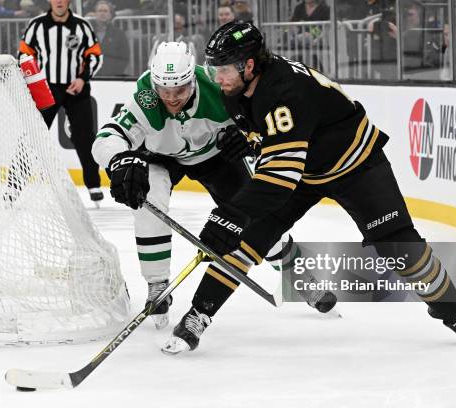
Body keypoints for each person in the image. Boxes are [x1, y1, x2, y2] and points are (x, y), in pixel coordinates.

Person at [162, 21, 456, 354]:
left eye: (223, 69)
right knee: (247, 239)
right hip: (306, 170)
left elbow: (280, 178)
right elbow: (273, 141)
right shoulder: (236, 89)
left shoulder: (282, 93)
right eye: (214, 68)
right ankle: (198, 315)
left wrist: (231, 212)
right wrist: (249, 143)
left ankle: (454, 313)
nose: (217, 77)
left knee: (401, 247)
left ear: (248, 65)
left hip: (356, 166)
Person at [92, 42, 335, 329]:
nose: (171, 98)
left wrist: (248, 139)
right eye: (164, 91)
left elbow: (265, 125)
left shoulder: (218, 88)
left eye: (180, 90)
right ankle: (157, 285)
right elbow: (107, 137)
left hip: (215, 157)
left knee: (254, 215)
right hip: (160, 157)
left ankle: (297, 276)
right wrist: (121, 159)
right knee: (149, 200)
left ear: (193, 79)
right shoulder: (145, 98)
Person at [16, 0, 104, 205]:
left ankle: (93, 184)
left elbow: (94, 55)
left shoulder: (82, 25)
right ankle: (14, 186)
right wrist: (34, 82)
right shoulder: (36, 25)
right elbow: (24, 55)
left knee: (84, 136)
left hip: (77, 88)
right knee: (33, 134)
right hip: (46, 89)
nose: (59, 1)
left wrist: (83, 78)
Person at [91, 0, 129, 76]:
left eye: (105, 11)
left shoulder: (119, 34)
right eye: (100, 11)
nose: (102, 13)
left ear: (110, 15)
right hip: (92, 76)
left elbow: (125, 58)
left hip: (112, 77)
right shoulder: (88, 33)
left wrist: (113, 74)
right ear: (95, 14)